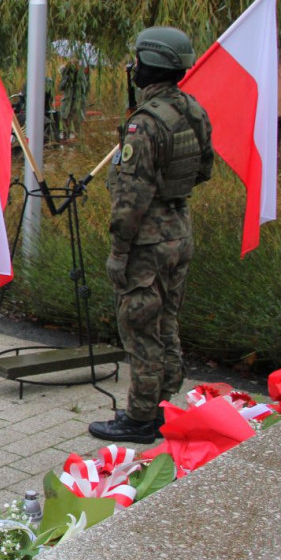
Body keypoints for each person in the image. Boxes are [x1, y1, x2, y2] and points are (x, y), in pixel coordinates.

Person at [88, 27, 213, 445]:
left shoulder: (145, 124)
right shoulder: (192, 110)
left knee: (140, 326)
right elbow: (204, 170)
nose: (133, 68)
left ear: (147, 65)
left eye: (137, 61)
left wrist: (118, 253)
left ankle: (140, 419)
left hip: (146, 242)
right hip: (179, 231)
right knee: (167, 323)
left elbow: (130, 199)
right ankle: (161, 403)